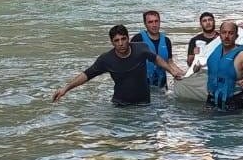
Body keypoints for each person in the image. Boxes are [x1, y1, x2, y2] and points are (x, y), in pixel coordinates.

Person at [52, 24, 184, 105]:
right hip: (121, 106)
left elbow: (156, 59)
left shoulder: (141, 49)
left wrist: (172, 71)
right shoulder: (106, 59)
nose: (120, 43)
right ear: (112, 42)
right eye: (116, 40)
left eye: (123, 39)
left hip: (144, 104)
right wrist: (65, 89)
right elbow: (87, 75)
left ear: (128, 38)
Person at [194, 20, 243, 110]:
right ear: (219, 35)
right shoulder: (216, 49)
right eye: (224, 33)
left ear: (236, 36)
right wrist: (198, 67)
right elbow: (207, 63)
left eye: (231, 33)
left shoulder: (242, 55)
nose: (226, 36)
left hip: (232, 101)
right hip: (211, 99)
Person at [131, 10, 173, 89]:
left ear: (160, 22)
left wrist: (182, 73)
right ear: (145, 24)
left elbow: (170, 62)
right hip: (142, 87)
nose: (154, 25)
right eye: (150, 22)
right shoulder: (138, 39)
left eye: (156, 21)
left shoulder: (166, 41)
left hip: (162, 86)